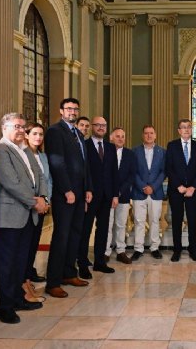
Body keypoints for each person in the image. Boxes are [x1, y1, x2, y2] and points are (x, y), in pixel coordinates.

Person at [0, 113, 48, 324]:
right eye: (17, 126)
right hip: (10, 215)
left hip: (29, 215)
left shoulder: (25, 149)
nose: (21, 130)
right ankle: (5, 307)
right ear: (4, 127)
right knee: (7, 263)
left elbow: (39, 175)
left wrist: (43, 197)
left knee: (21, 261)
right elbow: (11, 183)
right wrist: (36, 202)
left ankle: (17, 298)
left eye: (23, 127)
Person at [45, 98, 93, 298]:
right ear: (61, 111)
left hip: (80, 193)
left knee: (76, 234)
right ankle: (53, 281)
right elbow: (57, 163)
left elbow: (84, 164)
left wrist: (88, 188)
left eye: (75, 109)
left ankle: (69, 273)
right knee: (61, 236)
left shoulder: (78, 135)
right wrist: (66, 190)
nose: (72, 112)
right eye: (69, 109)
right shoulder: (55, 132)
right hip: (65, 195)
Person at [78, 116, 118, 278]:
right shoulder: (84, 146)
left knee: (103, 229)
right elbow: (83, 172)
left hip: (107, 195)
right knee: (85, 229)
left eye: (104, 125)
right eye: (98, 125)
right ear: (92, 127)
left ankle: (100, 262)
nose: (101, 127)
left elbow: (114, 173)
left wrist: (115, 194)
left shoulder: (110, 147)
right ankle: (82, 263)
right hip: (90, 194)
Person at [165, 119, 196, 262]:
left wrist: (193, 187)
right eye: (183, 127)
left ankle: (192, 249)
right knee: (176, 220)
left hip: (193, 191)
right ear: (179, 130)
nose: (186, 130)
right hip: (176, 190)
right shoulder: (172, 146)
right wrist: (179, 186)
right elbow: (169, 168)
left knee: (193, 221)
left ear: (191, 129)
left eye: (188, 127)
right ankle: (177, 250)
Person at [23, 123, 53, 300]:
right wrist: (36, 201)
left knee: (35, 240)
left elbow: (47, 180)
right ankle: (24, 276)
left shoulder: (43, 156)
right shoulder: (23, 155)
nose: (38, 137)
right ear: (27, 135)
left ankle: (29, 270)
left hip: (42, 205)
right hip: (28, 205)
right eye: (34, 133)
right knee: (26, 242)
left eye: (41, 134)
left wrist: (46, 200)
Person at [131, 125, 166, 260]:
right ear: (142, 135)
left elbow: (164, 172)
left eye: (151, 133)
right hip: (139, 192)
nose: (149, 136)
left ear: (155, 135)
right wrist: (142, 186)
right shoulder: (135, 152)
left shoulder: (162, 152)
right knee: (139, 221)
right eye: (146, 133)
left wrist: (153, 186)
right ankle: (138, 249)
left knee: (154, 221)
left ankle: (154, 247)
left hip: (155, 192)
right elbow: (133, 171)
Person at [106, 127, 136, 264]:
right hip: (107, 195)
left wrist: (118, 192)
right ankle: (105, 251)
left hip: (123, 195)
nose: (120, 138)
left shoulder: (130, 154)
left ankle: (120, 251)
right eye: (117, 136)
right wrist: (112, 192)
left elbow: (131, 176)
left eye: (123, 136)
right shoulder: (105, 152)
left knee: (121, 224)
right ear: (111, 137)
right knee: (107, 224)